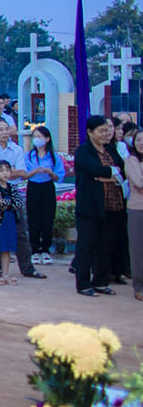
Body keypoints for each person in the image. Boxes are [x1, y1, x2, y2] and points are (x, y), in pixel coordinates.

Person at [0, 117, 45, 280]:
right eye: (0, 129)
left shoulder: (16, 149)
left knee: (21, 232)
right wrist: (9, 171)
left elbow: (22, 172)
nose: (4, 132)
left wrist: (0, 172)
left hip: (14, 193)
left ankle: (27, 267)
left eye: (6, 129)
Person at [72, 115, 126, 297]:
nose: (106, 134)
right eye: (101, 131)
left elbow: (123, 169)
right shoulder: (83, 151)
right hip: (90, 207)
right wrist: (111, 173)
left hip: (113, 205)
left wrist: (108, 176)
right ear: (90, 132)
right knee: (86, 246)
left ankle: (101, 281)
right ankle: (83, 283)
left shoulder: (111, 149)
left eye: (107, 130)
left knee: (106, 245)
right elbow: (95, 170)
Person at [25, 124, 63, 265]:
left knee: (47, 219)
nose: (37, 140)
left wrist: (50, 172)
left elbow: (59, 177)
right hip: (33, 187)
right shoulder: (29, 156)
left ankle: (46, 250)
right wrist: (34, 172)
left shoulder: (54, 157)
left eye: (40, 137)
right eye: (35, 137)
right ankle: (35, 250)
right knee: (33, 218)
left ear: (47, 139)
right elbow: (24, 175)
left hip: (47, 187)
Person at [0, 161, 20, 284]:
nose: (5, 173)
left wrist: (5, 203)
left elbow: (18, 203)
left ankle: (6, 274)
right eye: (1, 171)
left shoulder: (12, 187)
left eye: (7, 170)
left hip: (10, 220)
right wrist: (7, 204)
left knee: (7, 248)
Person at [124, 126, 143, 302]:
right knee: (138, 249)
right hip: (138, 208)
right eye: (138, 140)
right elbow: (138, 182)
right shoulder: (131, 161)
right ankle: (139, 286)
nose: (141, 143)